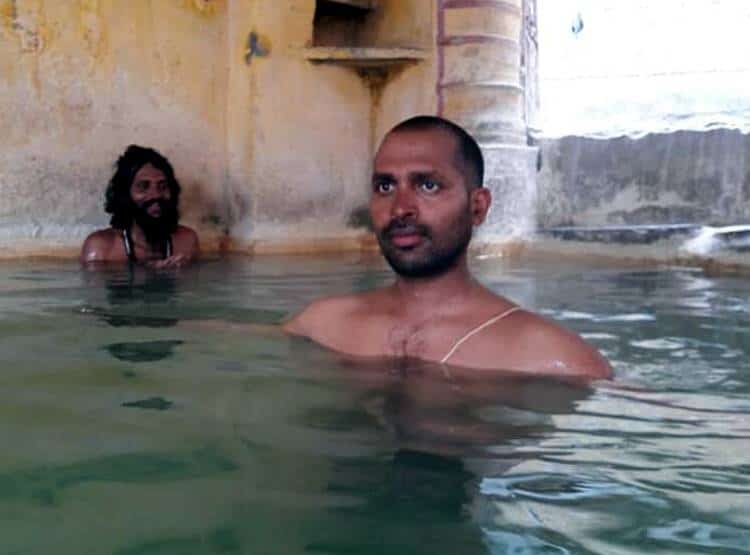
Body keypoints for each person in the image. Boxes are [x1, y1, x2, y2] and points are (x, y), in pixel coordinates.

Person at [284, 116, 612, 379]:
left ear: (478, 207)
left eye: (427, 185)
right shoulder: (322, 324)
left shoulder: (554, 358)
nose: (400, 209)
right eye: (385, 186)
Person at [80, 145, 199, 268]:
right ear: (124, 194)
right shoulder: (101, 251)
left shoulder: (187, 243)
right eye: (143, 186)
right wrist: (149, 273)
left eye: (163, 186)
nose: (155, 195)